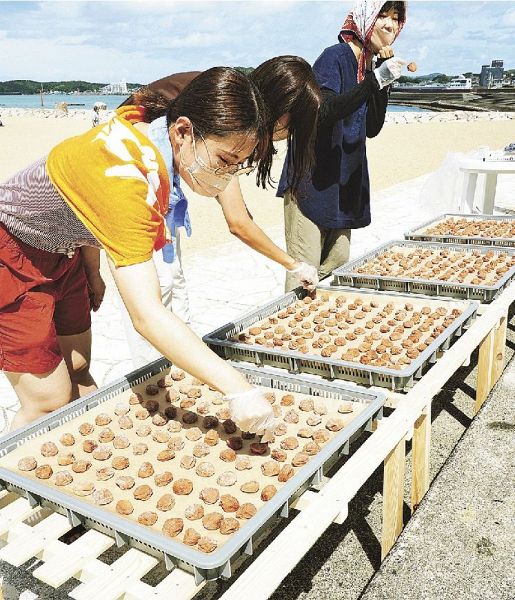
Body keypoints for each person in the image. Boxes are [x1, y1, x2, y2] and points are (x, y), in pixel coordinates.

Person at [0, 67, 276, 438]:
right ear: (182, 131)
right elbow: (146, 314)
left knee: (79, 368)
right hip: (13, 254)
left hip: (66, 252)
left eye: (237, 166)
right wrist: (237, 387)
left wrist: (91, 271)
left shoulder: (150, 133)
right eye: (225, 160)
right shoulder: (125, 178)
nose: (226, 176)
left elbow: (84, 211)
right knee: (46, 401)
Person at [119, 57, 322, 367]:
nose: (287, 135)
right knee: (157, 290)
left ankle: (177, 364)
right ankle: (157, 377)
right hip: (131, 179)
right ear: (278, 110)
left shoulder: (240, 109)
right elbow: (238, 221)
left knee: (172, 284)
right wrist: (293, 264)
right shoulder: (230, 116)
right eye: (291, 125)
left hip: (156, 181)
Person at [278, 0, 407, 291]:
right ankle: (289, 334)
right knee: (305, 274)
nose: (389, 24)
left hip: (344, 186)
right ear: (365, 18)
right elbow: (321, 111)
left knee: (336, 265)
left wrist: (382, 81)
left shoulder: (370, 68)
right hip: (311, 183)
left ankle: (317, 333)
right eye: (382, 15)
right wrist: (374, 82)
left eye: (396, 18)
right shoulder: (334, 57)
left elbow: (372, 127)